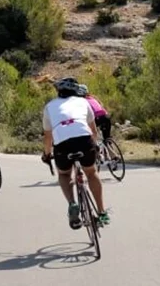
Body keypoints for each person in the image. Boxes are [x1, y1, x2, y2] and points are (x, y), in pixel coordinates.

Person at [41, 77, 109, 229]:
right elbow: (93, 130)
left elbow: (47, 136)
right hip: (84, 140)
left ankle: (72, 203)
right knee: (91, 173)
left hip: (62, 145)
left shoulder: (49, 106)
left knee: (64, 174)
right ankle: (102, 211)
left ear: (59, 91)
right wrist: (95, 146)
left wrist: (47, 154)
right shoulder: (83, 102)